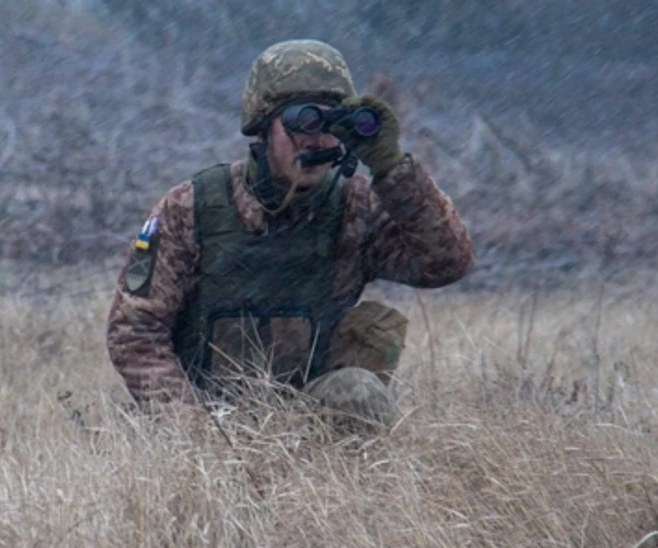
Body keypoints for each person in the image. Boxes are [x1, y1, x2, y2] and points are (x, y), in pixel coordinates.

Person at [105, 39, 475, 431]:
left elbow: (446, 264)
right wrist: (195, 432)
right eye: (302, 122)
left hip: (312, 422)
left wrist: (391, 168)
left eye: (333, 125)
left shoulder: (355, 207)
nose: (317, 140)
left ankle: (341, 492)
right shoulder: (191, 207)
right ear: (264, 127)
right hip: (205, 419)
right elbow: (135, 332)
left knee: (358, 392)